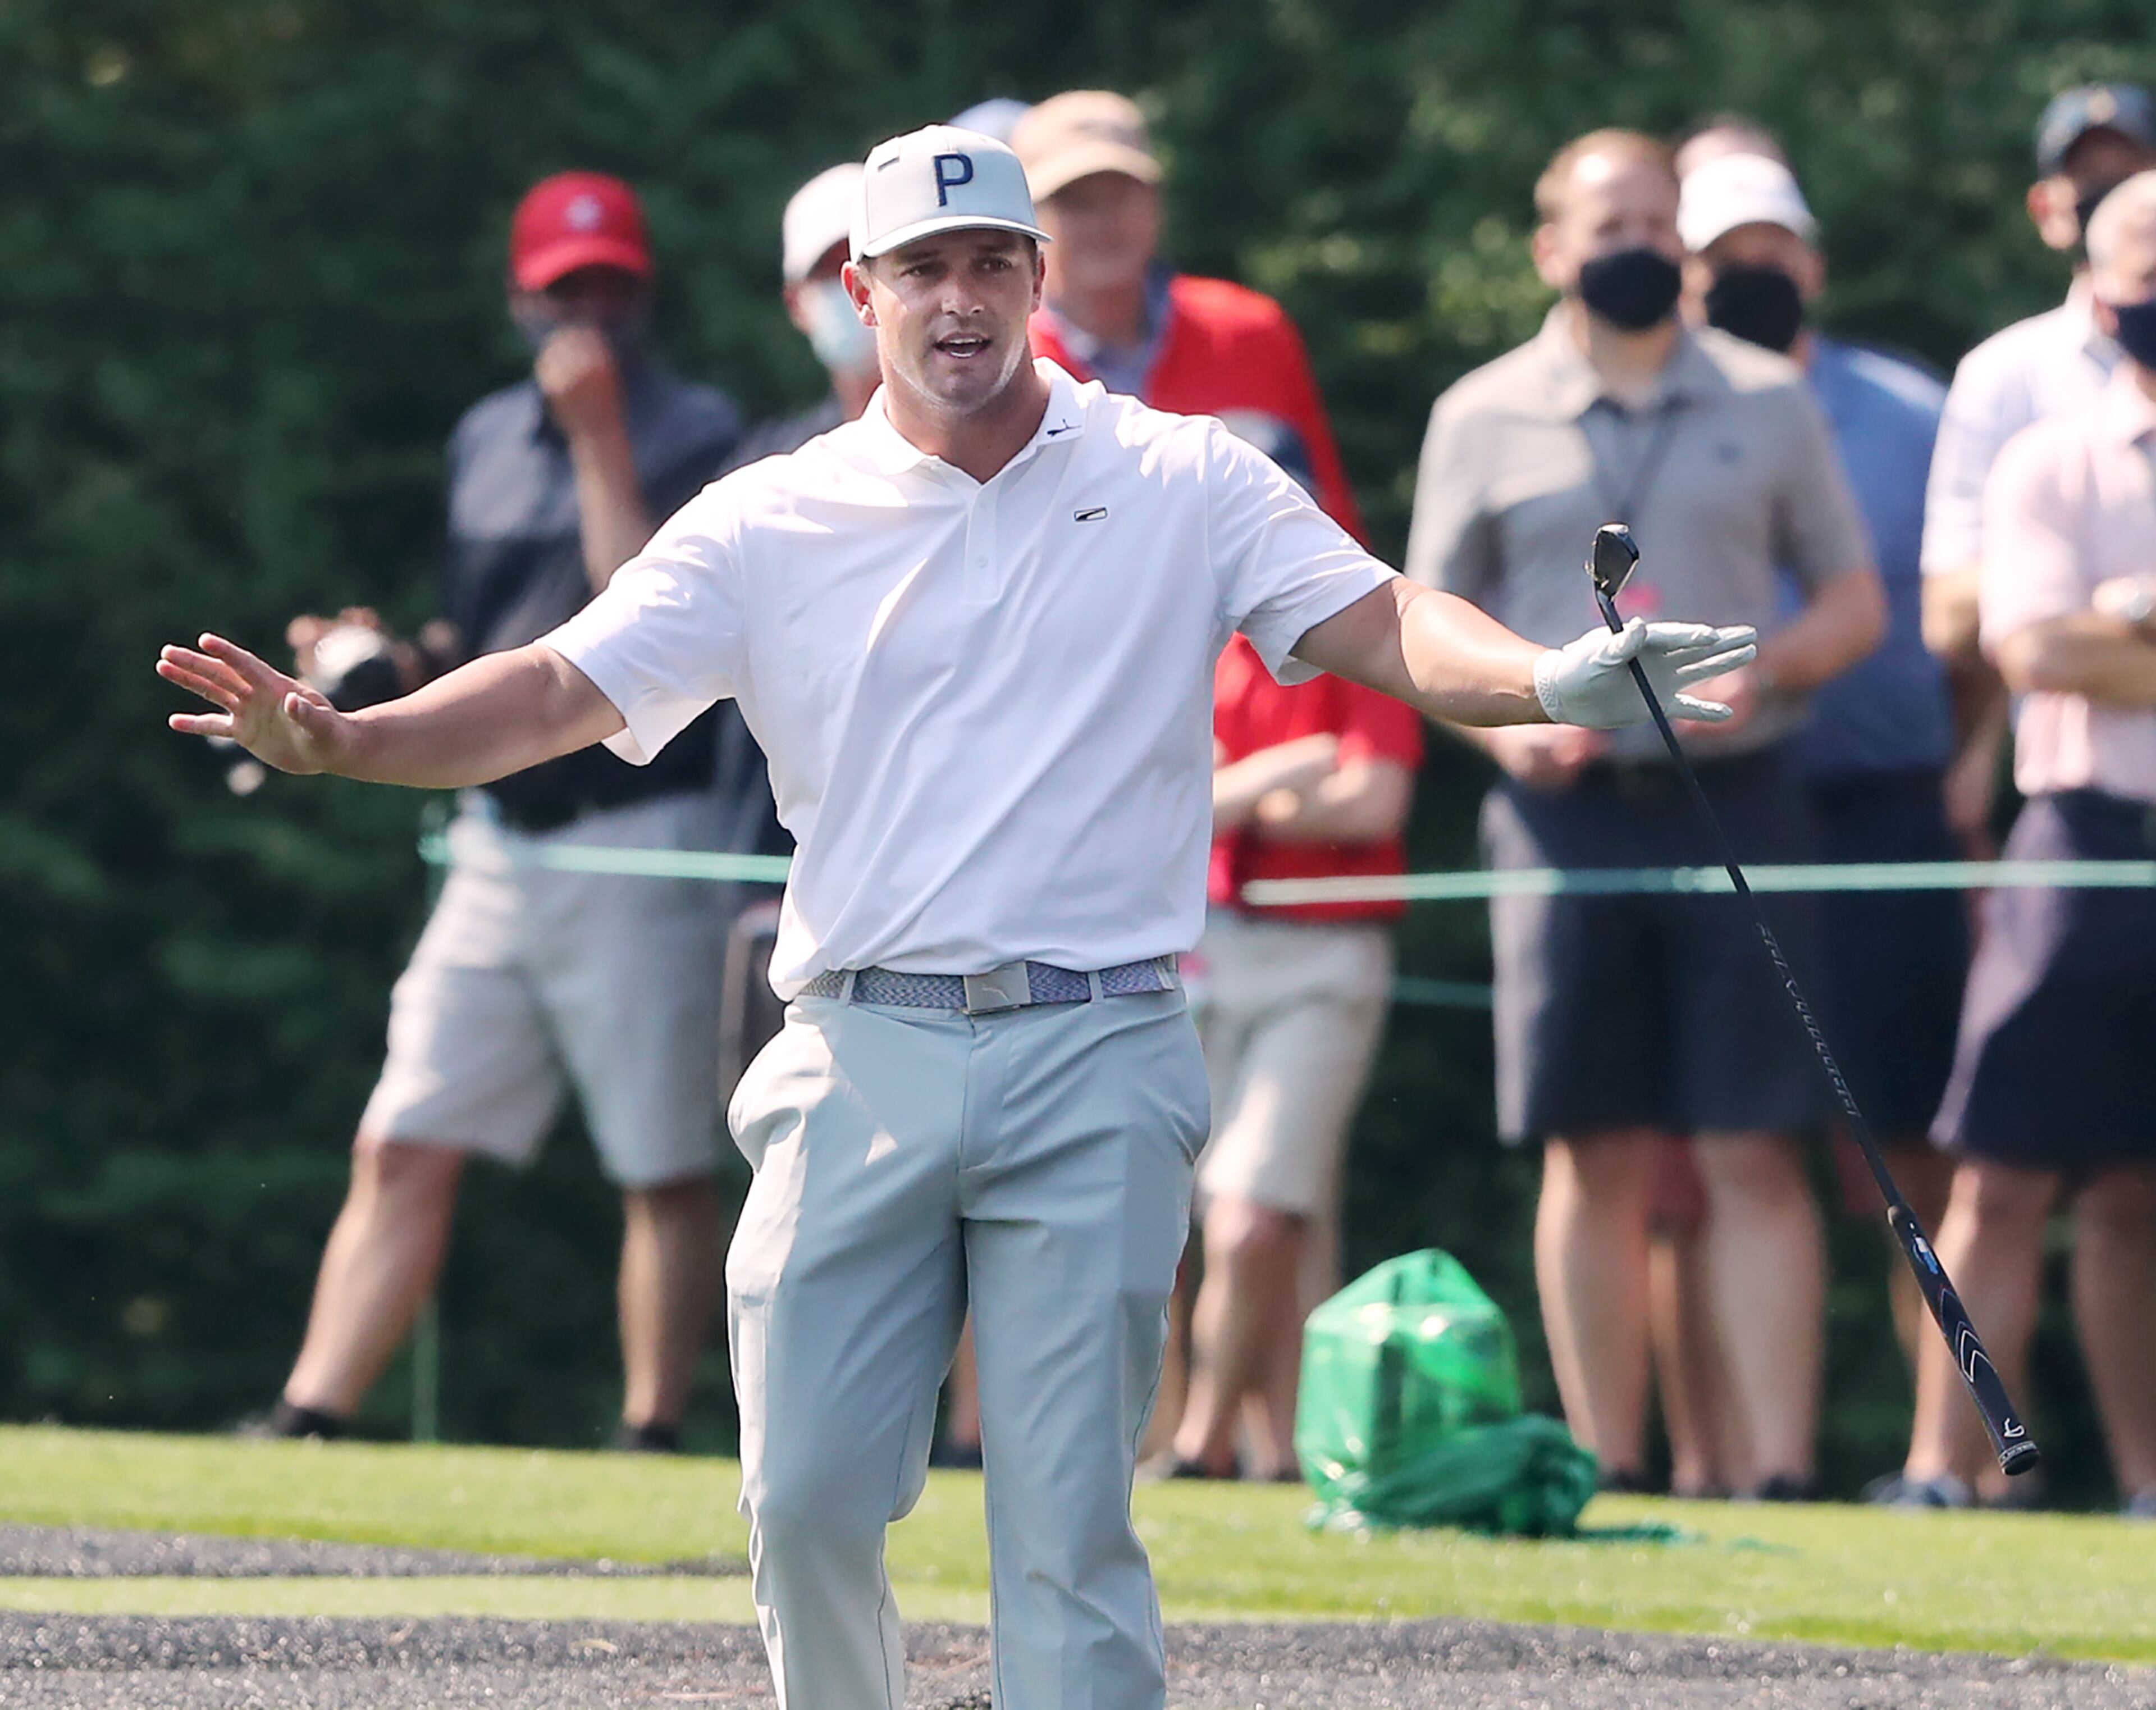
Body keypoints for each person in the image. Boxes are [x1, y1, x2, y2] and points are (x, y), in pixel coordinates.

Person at [161, 122, 1756, 1710]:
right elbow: (561, 685)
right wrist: (359, 740)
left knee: (1066, 1529)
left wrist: (1550, 677)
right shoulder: (766, 517)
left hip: (1102, 1043)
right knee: (801, 1503)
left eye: (991, 260)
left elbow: (1387, 617)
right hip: (857, 1050)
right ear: (862, 290)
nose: (960, 296)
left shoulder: (1181, 470)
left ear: (1039, 278)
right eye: (923, 267)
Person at [1405, 129, 1885, 1500]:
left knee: (1752, 1140)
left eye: (1656, 220)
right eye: (1605, 221)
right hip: (1564, 816)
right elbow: (1423, 628)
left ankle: (1782, 1468)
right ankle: (1608, 1464)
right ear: (1550, 245)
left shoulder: (1767, 397)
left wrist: (1741, 668)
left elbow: (1853, 605)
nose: (1634, 243)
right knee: (1593, 1141)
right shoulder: (1478, 411)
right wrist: (1524, 729)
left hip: (1737, 796)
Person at [257, 172, 742, 1452]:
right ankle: (312, 1416)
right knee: (404, 1131)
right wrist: (374, 662)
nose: (590, 309)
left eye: (612, 285)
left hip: (638, 834)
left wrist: (598, 443)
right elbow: (478, 640)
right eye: (564, 287)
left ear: (645, 292)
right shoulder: (481, 436)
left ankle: (648, 1431)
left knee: (660, 1162)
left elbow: (646, 620)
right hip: (495, 839)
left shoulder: (705, 435)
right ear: (522, 297)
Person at [1011, 85, 1392, 1481]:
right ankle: (1169, 1440)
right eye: (1071, 199)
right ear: (1030, 228)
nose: (1102, 218)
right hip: (1098, 828)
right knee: (1139, 1196)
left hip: (1269, 860)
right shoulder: (1006, 348)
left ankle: (1271, 1448)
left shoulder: (1248, 331)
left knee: (1264, 1198)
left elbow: (1325, 558)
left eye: (1121, 190)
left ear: (1154, 202)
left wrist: (1331, 748)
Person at [1664, 141, 1966, 1492]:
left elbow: (1970, 614)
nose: (1753, 275)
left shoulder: (1915, 407)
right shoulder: (1641, 406)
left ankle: (1937, 1460)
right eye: (1726, 257)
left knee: (1906, 1144)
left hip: (1884, 804)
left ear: (1813, 261)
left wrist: (1982, 765)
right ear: (1685, 270)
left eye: (1772, 251)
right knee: (1713, 1148)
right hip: (1717, 809)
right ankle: (1710, 1465)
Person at [1883, 173, 2156, 1520]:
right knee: (1997, 1168)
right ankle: (1946, 1466)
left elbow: (2083, 641)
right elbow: (2032, 644)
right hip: (2082, 835)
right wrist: (2100, 629)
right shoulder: (2050, 454)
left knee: (2137, 1193)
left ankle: (2148, 1482)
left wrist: (2136, 623)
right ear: (2101, 294)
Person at [1921, 85, 2156, 857]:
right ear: (2048, 207)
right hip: (2082, 789)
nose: (2114, 198)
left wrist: (2089, 609)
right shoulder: (2006, 374)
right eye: (2090, 182)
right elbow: (1959, 616)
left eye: (2132, 172)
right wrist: (2126, 606)